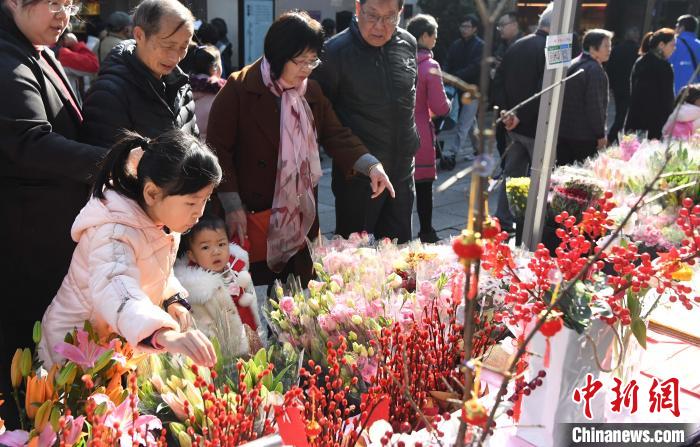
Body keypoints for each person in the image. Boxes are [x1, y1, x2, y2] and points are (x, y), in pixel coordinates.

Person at [207, 11, 394, 287]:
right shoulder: (238, 88)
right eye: (300, 61)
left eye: (313, 60)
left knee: (291, 289)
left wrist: (371, 165)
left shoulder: (311, 92)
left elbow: (336, 134)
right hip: (251, 213)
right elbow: (217, 150)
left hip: (297, 211)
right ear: (277, 56)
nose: (307, 68)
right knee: (243, 289)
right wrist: (232, 205)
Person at [0, 0, 108, 423]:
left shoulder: (36, 48)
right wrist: (114, 161)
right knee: (20, 362)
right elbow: (31, 143)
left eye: (70, 4)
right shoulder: (7, 57)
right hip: (21, 239)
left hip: (45, 236)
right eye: (53, 3)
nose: (64, 15)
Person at [39, 129, 221, 369]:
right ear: (152, 193)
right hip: (73, 350)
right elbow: (116, 286)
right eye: (191, 202)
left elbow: (154, 268)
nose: (199, 211)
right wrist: (163, 334)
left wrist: (171, 298)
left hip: (114, 343)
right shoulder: (114, 230)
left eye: (205, 200)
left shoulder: (160, 218)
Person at [314, 0, 418, 244]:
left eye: (390, 17)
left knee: (401, 262)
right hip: (358, 181)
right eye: (372, 16)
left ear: (401, 13)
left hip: (402, 172)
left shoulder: (408, 43)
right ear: (358, 8)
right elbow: (323, 121)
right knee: (354, 263)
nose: (380, 26)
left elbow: (409, 99)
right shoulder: (333, 52)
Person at [81, 0, 198, 148]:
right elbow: (103, 163)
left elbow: (194, 145)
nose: (175, 57)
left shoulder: (181, 84)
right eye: (168, 45)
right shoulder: (108, 94)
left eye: (184, 47)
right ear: (139, 35)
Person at [492, 4, 552, 232]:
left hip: (513, 125)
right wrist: (518, 115)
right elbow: (544, 91)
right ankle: (531, 225)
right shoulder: (550, 48)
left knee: (512, 175)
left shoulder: (518, 44)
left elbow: (499, 81)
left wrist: (507, 112)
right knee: (540, 177)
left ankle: (503, 221)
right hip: (536, 126)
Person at [175, 215, 261, 356]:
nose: (216, 251)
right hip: (226, 350)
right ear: (192, 256)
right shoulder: (197, 289)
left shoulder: (237, 268)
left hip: (251, 331)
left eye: (221, 244)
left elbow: (251, 298)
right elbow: (201, 325)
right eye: (206, 247)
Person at [407, 14, 450, 243]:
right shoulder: (430, 66)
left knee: (401, 187)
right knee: (423, 188)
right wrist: (449, 104)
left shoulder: (398, 59)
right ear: (424, 35)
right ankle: (426, 231)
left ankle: (399, 233)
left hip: (396, 131)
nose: (436, 39)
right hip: (420, 131)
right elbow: (440, 107)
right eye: (434, 35)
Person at [557, 29, 612, 166]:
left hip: (564, 132)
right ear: (593, 49)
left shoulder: (572, 63)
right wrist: (600, 135)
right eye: (606, 46)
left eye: (610, 45)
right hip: (585, 137)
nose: (609, 49)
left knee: (562, 175)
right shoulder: (594, 70)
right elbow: (595, 106)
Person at [442, 14, 483, 164]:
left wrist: (455, 77)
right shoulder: (456, 44)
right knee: (470, 123)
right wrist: (445, 75)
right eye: (462, 26)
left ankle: (452, 153)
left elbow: (475, 68)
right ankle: (479, 151)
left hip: (472, 91)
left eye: (467, 27)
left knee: (463, 124)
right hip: (456, 89)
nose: (464, 30)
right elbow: (448, 61)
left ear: (474, 29)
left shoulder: (480, 46)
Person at [625, 28, 676, 140]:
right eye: (672, 45)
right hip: (655, 123)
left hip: (635, 118)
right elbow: (668, 100)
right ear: (661, 45)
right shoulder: (664, 67)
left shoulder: (640, 61)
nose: (674, 49)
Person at [492, 11, 523, 162]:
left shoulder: (522, 45)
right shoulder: (502, 45)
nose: (500, 29)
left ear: (514, 25)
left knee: (515, 146)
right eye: (499, 26)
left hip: (515, 103)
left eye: (503, 25)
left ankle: (511, 176)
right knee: (500, 139)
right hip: (500, 100)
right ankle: (505, 170)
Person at [605, 27, 640, 143]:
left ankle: (614, 135)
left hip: (617, 86)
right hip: (630, 87)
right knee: (624, 113)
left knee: (620, 111)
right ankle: (615, 135)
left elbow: (609, 68)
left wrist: (610, 85)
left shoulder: (616, 49)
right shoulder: (637, 51)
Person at [189, 44, 225, 140]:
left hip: (190, 146)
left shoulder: (185, 90)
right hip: (214, 147)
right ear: (216, 68)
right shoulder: (222, 92)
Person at [669, 15, 700, 95]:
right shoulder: (698, 44)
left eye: (676, 26)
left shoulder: (673, 44)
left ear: (682, 28)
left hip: (676, 93)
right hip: (695, 96)